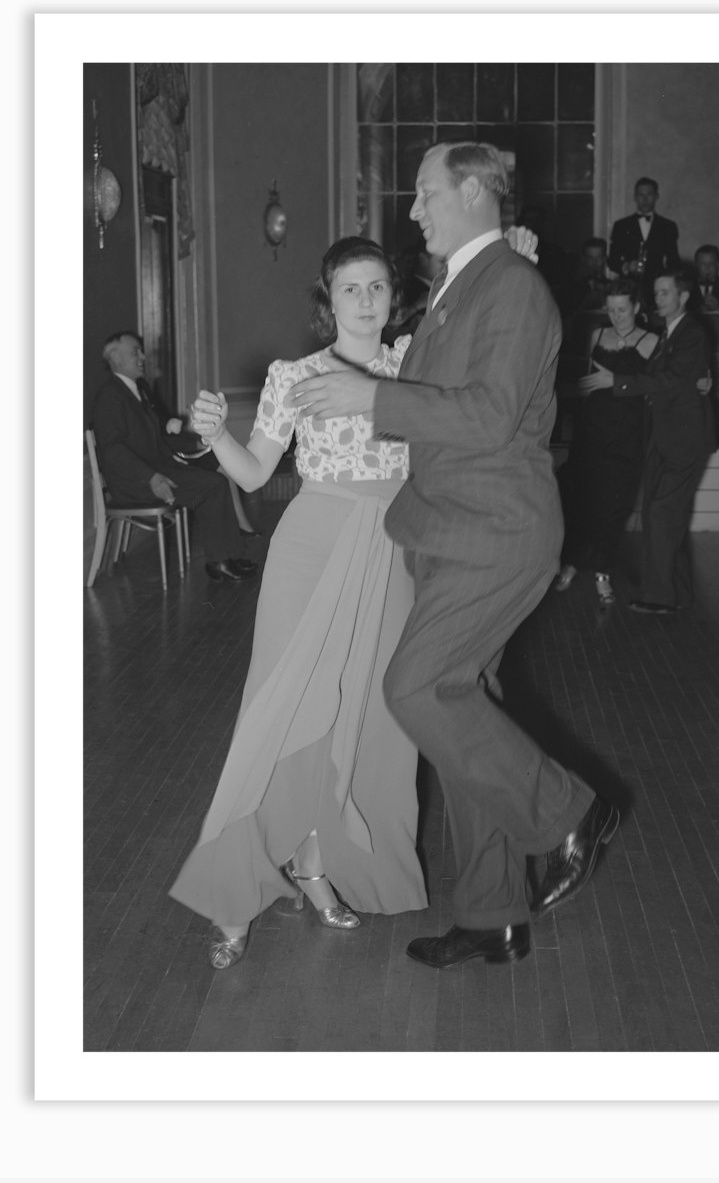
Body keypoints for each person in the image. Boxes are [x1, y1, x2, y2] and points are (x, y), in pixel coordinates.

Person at [289, 143, 619, 971]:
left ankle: (570, 813)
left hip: (493, 532)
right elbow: (429, 400)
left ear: (474, 190)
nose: (413, 208)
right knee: (466, 714)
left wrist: (372, 397)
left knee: (420, 687)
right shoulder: (463, 287)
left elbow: (486, 416)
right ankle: (491, 912)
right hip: (444, 528)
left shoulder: (509, 285)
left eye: (426, 191)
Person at [169, 228, 538, 970]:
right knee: (277, 713)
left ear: (395, 296)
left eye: (377, 287)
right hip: (312, 545)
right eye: (350, 289)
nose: (365, 300)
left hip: (398, 548)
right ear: (326, 300)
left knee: (375, 720)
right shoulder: (292, 375)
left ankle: (315, 864)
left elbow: (491, 361)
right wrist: (216, 437)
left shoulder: (414, 365)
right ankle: (234, 891)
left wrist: (517, 267)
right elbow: (252, 474)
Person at [580, 270, 716, 614]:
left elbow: (670, 378)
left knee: (660, 515)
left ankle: (659, 598)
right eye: (656, 293)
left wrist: (617, 381)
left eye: (665, 293)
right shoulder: (672, 333)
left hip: (682, 439)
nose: (659, 299)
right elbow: (673, 376)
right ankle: (680, 594)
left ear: (683, 297)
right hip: (663, 436)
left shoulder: (690, 333)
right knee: (666, 517)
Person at [91, 332, 258, 583]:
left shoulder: (138, 390)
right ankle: (220, 561)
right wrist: (151, 477)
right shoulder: (110, 397)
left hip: (156, 469)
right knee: (213, 485)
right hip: (136, 482)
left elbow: (157, 438)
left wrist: (200, 441)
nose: (143, 357)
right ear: (114, 357)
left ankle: (228, 556)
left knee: (214, 475)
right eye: (135, 351)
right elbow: (115, 451)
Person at [554, 280, 654, 609]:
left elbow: (657, 389)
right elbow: (584, 379)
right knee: (581, 501)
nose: (615, 316)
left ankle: (602, 573)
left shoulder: (652, 341)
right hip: (591, 433)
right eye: (610, 309)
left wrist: (617, 383)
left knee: (614, 508)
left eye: (622, 309)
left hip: (627, 438)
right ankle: (571, 562)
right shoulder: (596, 335)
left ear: (638, 307)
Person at [607, 177, 681, 306]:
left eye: (649, 194)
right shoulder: (621, 226)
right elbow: (612, 260)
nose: (645, 199)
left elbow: (673, 261)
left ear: (657, 196)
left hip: (656, 289)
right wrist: (626, 267)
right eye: (641, 195)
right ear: (635, 197)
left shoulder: (668, 226)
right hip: (629, 289)